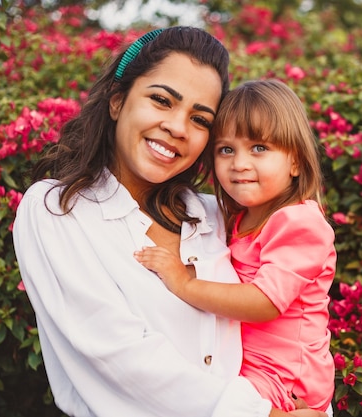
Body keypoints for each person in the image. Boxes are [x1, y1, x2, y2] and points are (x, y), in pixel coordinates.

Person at [13, 27, 328, 417]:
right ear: (117, 101)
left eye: (200, 119)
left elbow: (294, 320)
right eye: (162, 100)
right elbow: (121, 356)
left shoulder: (215, 214)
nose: (178, 128)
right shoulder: (58, 209)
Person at [134, 79, 336, 413]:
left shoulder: (299, 222)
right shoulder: (239, 220)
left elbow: (263, 302)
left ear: (296, 162)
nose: (239, 163)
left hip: (285, 383)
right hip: (252, 371)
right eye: (226, 150)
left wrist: (184, 283)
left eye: (259, 148)